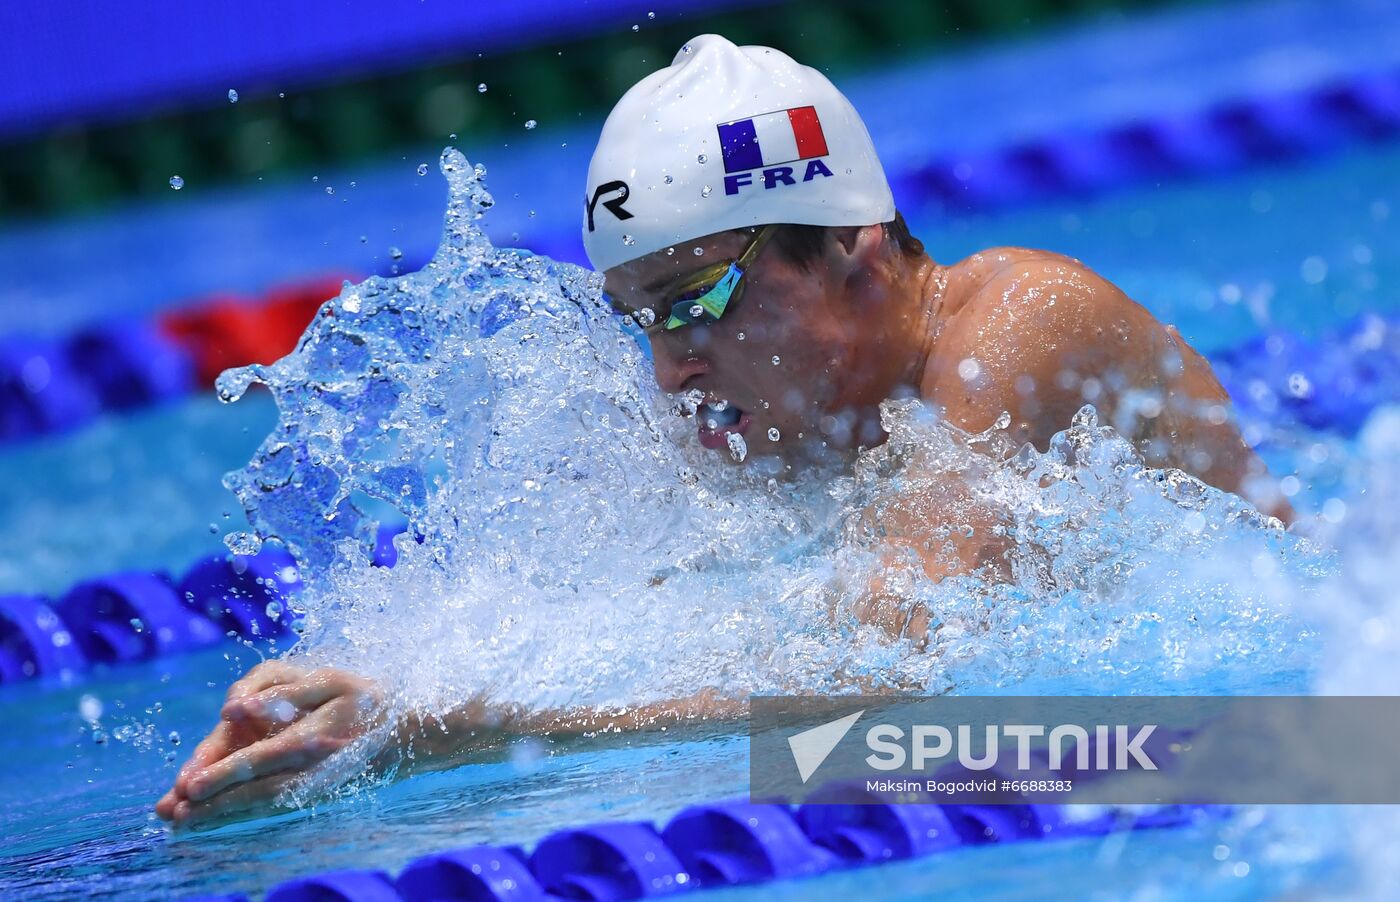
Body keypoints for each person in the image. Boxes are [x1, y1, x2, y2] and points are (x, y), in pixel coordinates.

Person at [157, 34, 1289, 827]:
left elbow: (883, 686)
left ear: (853, 249)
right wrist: (383, 691)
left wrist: (461, 728)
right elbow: (655, 633)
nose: (667, 366)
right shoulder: (791, 422)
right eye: (638, 320)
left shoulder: (1018, 329)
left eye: (697, 298)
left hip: (1294, 738)